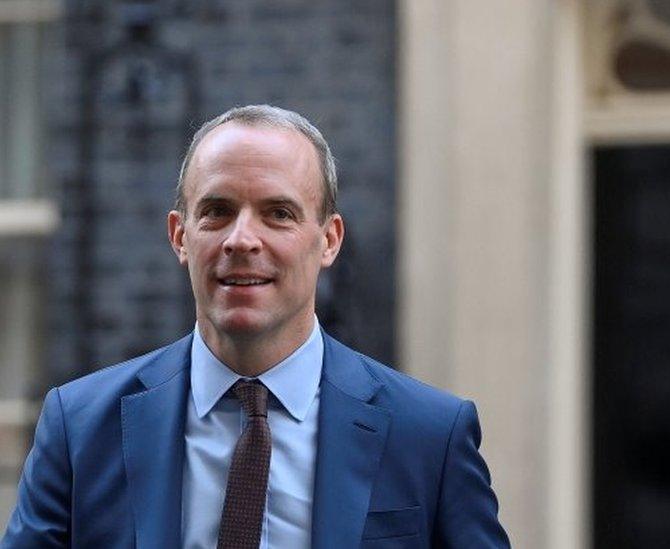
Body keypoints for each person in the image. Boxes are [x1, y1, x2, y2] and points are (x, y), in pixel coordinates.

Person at [2, 105, 509, 548]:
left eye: (278, 213)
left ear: (329, 241)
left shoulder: (429, 436)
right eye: (218, 212)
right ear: (180, 237)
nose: (241, 239)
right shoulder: (81, 427)